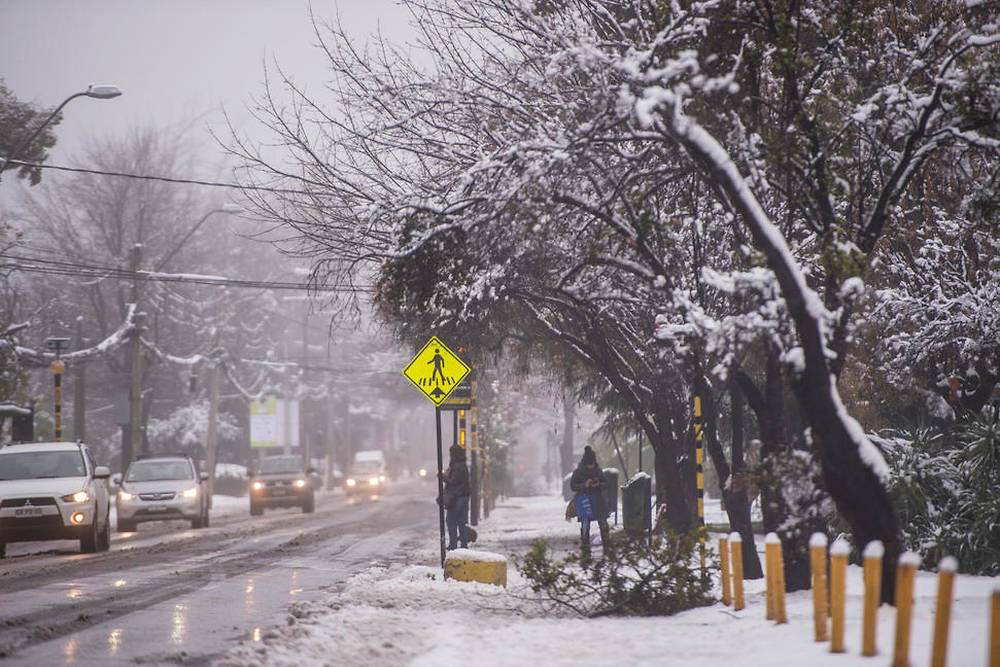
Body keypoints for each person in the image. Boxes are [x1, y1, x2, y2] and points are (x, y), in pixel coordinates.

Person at [570, 445, 610, 558]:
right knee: (585, 524)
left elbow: (605, 483)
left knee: (603, 523)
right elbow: (573, 486)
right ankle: (585, 548)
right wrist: (584, 485)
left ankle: (607, 546)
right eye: (590, 465)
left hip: (598, 501)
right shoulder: (578, 472)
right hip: (585, 502)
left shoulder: (598, 470)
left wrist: (599, 484)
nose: (592, 466)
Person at [440, 444, 471, 550]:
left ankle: (453, 545)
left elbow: (453, 481)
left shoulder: (457, 466)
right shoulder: (462, 464)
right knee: (460, 521)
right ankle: (463, 545)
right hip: (463, 496)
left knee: (451, 521)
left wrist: (443, 477)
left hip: (457, 497)